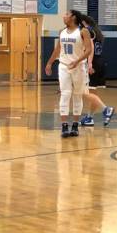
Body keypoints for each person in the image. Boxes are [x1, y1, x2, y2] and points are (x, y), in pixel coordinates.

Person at [45, 10, 93, 138]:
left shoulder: (83, 31)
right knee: (65, 94)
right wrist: (49, 63)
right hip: (64, 66)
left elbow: (88, 50)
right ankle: (64, 126)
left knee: (77, 95)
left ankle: (75, 125)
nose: (64, 16)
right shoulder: (62, 32)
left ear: (73, 17)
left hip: (78, 67)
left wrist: (77, 61)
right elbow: (58, 49)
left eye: (66, 14)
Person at [79, 16, 115, 127]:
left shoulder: (88, 31)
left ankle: (106, 109)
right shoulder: (97, 32)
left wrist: (89, 64)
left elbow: (91, 48)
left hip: (93, 64)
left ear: (84, 22)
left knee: (83, 91)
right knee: (93, 93)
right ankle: (90, 117)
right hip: (101, 63)